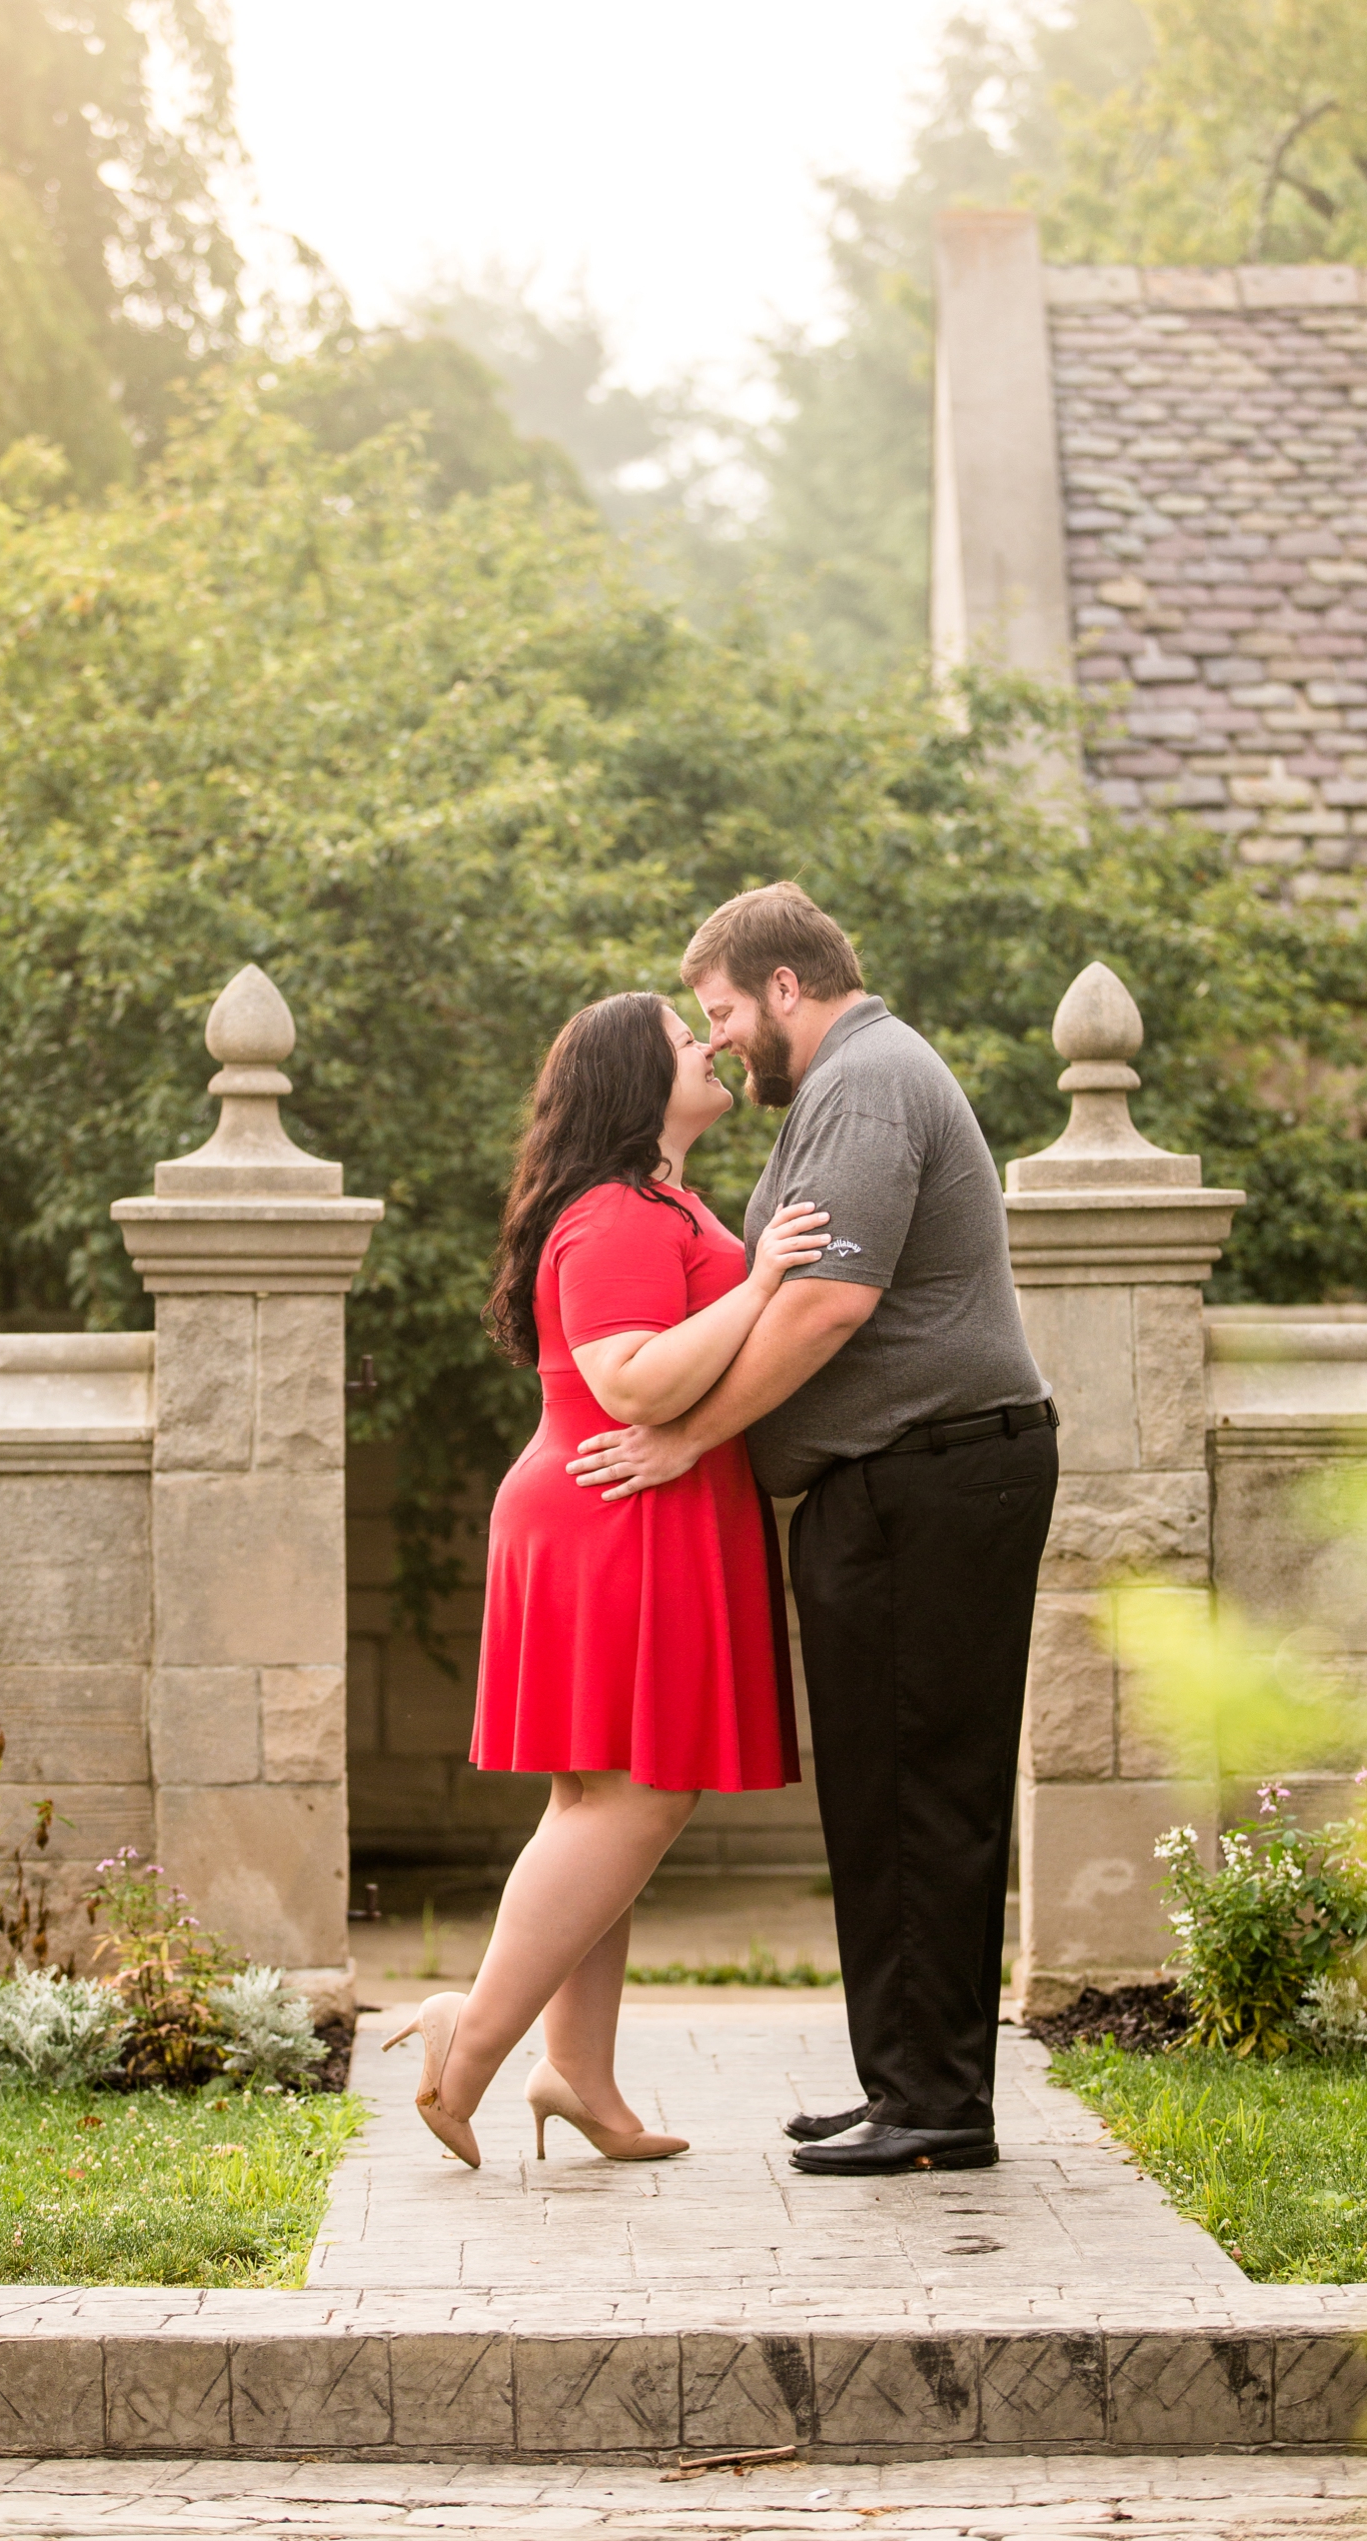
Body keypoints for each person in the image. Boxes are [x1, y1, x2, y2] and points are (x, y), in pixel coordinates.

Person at [569, 884, 1056, 2177]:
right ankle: (907, 2082)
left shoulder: (868, 1081)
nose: (720, 1038)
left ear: (787, 985)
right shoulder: (854, 1082)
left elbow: (828, 1304)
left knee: (921, 1794)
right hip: (896, 1482)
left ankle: (937, 2105)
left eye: (724, 1010)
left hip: (932, 1476)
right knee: (885, 1792)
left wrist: (690, 1436)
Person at [382, 988, 827, 2168]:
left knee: (595, 1806)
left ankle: (576, 2071)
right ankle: (466, 2046)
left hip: (627, 1507)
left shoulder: (657, 1196)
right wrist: (760, 1281)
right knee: (642, 1794)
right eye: (690, 1042)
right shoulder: (620, 1211)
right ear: (640, 1080)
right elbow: (628, 1378)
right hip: (618, 1509)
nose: (713, 1046)